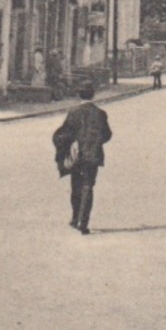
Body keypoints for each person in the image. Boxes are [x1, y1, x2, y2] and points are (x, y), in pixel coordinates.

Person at [52, 82, 112, 234]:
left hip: (77, 156)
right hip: (93, 155)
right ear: (93, 95)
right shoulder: (100, 113)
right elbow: (107, 135)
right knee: (88, 186)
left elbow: (64, 134)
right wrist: (96, 143)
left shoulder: (74, 112)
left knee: (76, 187)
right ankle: (83, 223)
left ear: (79, 95)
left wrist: (66, 148)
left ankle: (74, 218)